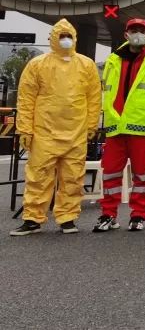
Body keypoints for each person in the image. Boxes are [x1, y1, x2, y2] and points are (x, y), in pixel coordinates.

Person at [10, 19, 101, 236]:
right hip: (44, 131)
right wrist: (25, 129)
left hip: (76, 131)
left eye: (68, 36)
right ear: (53, 38)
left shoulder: (86, 65)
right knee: (38, 176)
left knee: (73, 177)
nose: (65, 40)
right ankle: (32, 218)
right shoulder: (37, 64)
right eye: (61, 36)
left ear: (75, 38)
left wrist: (90, 126)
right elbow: (26, 98)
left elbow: (94, 98)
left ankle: (67, 218)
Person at [92, 18, 145, 233]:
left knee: (142, 175)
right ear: (126, 34)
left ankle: (138, 215)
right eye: (133, 30)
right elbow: (105, 93)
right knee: (109, 173)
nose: (137, 33)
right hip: (115, 126)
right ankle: (108, 214)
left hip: (143, 127)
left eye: (141, 30)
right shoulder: (112, 60)